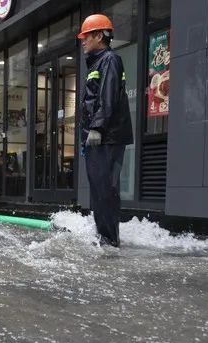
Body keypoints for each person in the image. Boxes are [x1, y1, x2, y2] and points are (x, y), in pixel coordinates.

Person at [78, 13, 133, 248]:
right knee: (99, 190)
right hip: (96, 139)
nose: (83, 41)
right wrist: (85, 138)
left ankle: (109, 239)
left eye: (86, 36)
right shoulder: (98, 62)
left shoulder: (109, 59)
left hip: (107, 138)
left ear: (99, 36)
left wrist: (97, 128)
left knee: (106, 190)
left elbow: (107, 97)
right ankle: (103, 236)